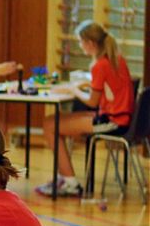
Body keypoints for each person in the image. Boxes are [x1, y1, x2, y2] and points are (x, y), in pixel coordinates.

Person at [36, 20, 135, 197]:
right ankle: (64, 176)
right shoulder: (116, 59)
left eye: (81, 42)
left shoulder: (100, 65)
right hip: (120, 117)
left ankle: (70, 181)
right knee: (55, 121)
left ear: (89, 43)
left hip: (112, 122)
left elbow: (92, 102)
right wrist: (86, 84)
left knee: (50, 125)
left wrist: (74, 89)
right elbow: (109, 86)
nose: (80, 45)